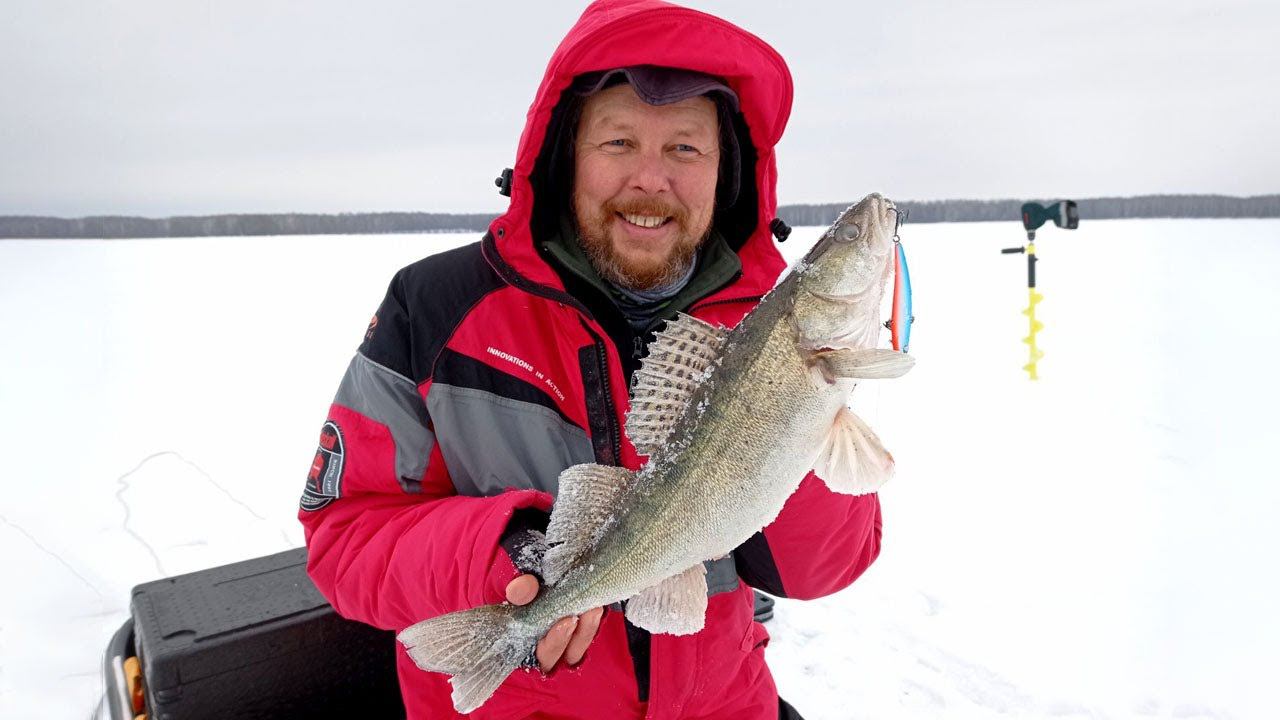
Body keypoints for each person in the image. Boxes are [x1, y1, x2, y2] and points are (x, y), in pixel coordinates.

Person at [298, 1, 883, 718]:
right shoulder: (435, 305)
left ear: (726, 173)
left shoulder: (758, 329)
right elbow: (344, 543)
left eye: (685, 149)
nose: (650, 179)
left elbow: (823, 570)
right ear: (563, 153)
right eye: (618, 142)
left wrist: (799, 415)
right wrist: (502, 555)